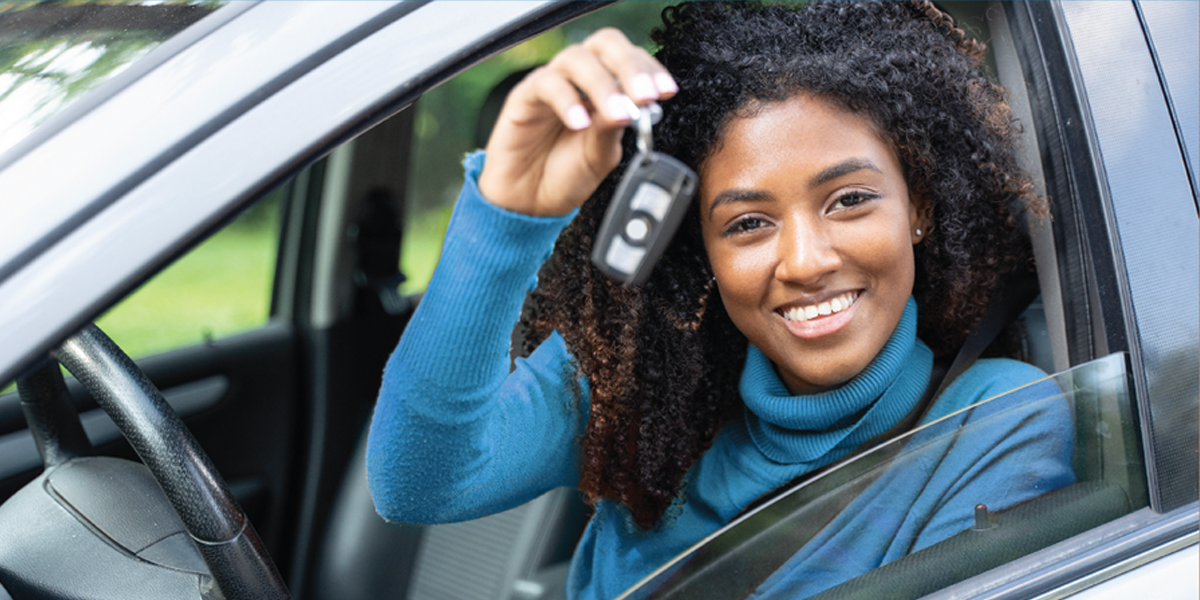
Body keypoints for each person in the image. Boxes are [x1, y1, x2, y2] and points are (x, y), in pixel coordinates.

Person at [367, 2, 1074, 599]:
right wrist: (507, 220)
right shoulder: (639, 376)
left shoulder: (994, 424)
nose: (806, 261)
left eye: (850, 200)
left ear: (916, 206)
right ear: (701, 247)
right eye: (748, 224)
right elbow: (420, 483)